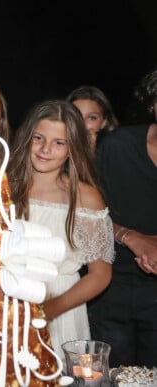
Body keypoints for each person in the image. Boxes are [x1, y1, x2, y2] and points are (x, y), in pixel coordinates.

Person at [7, 100, 114, 359]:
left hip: (61, 309)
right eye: (39, 138)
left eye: (59, 143)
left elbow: (100, 275)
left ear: (71, 149)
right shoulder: (6, 186)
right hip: (9, 302)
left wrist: (50, 309)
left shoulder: (85, 197)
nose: (45, 149)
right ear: (26, 138)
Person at [88, 69, 157, 368]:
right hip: (110, 288)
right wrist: (131, 237)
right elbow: (85, 215)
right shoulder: (117, 146)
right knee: (111, 376)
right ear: (153, 102)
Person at [66, 85, 119, 153]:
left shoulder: (113, 151)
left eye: (92, 118)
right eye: (75, 115)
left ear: (104, 123)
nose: (82, 123)